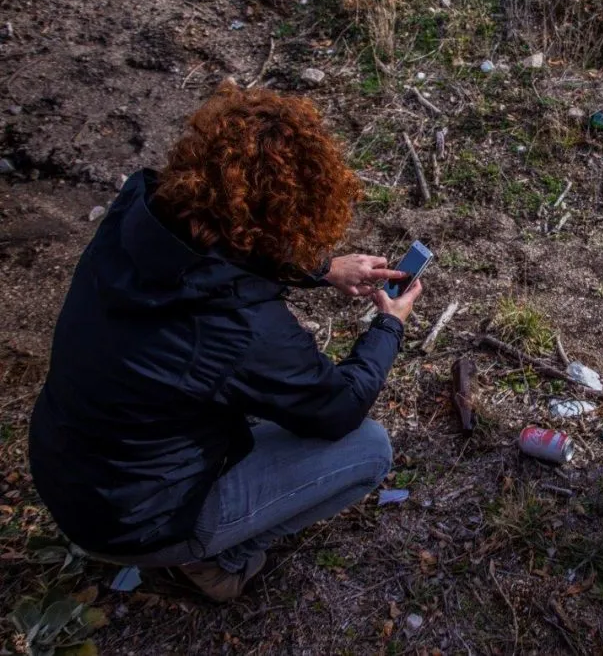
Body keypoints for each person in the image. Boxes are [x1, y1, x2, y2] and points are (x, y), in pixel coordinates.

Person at [28, 83, 423, 601]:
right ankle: (208, 564)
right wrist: (389, 325)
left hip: (70, 471)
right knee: (368, 449)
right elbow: (339, 408)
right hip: (135, 523)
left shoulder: (135, 221)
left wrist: (323, 269)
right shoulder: (238, 329)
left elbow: (219, 251)